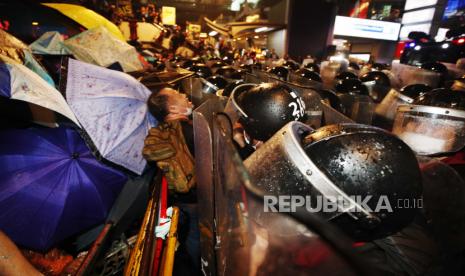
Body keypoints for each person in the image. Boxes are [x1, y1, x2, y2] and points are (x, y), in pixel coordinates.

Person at [143, 87, 200, 274]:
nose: (185, 95)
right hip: (197, 198)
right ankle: (199, 267)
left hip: (176, 199)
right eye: (179, 95)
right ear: (173, 110)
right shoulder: (192, 131)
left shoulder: (159, 134)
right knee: (196, 235)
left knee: (185, 233)